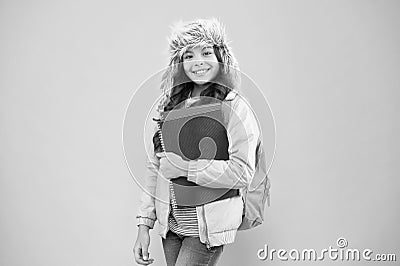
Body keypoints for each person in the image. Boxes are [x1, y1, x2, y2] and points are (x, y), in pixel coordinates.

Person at [133, 18, 260, 266]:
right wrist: (143, 225)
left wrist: (185, 168)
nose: (197, 61)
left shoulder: (234, 107)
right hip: (171, 228)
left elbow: (242, 171)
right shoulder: (169, 106)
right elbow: (155, 167)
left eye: (206, 52)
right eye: (188, 55)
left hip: (205, 231)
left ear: (221, 57)